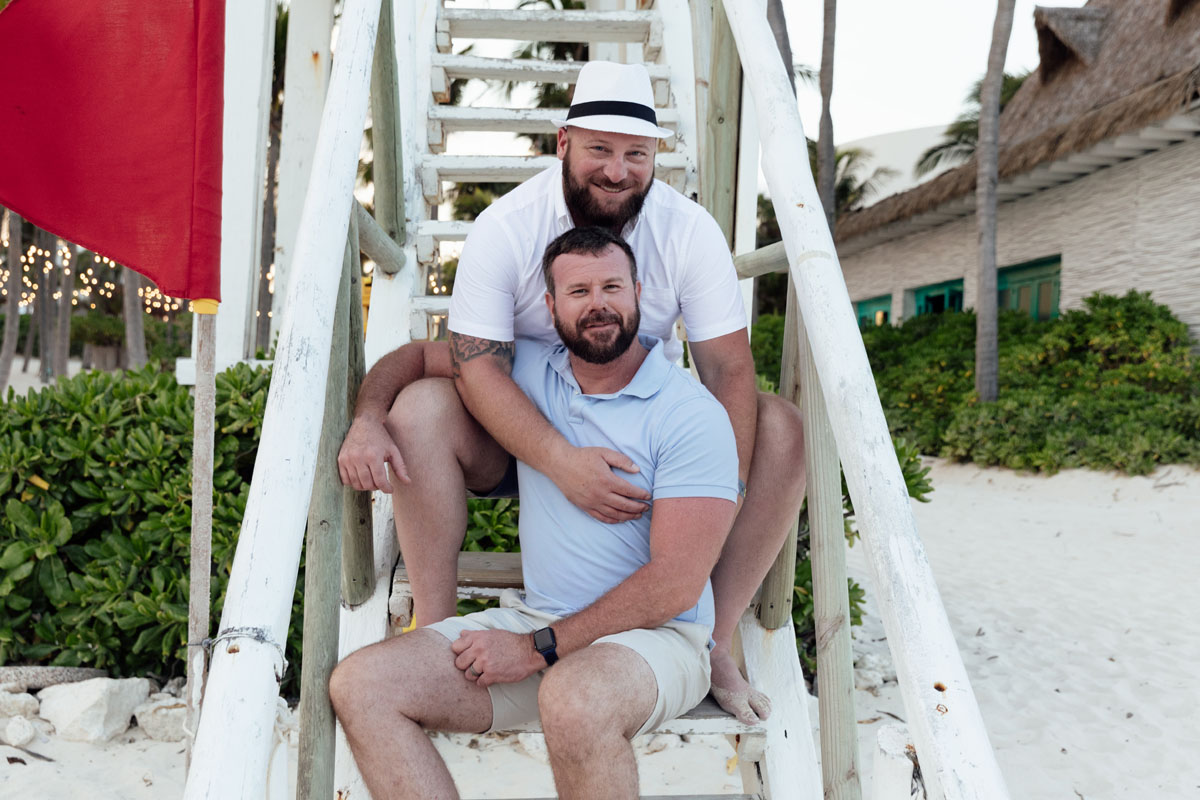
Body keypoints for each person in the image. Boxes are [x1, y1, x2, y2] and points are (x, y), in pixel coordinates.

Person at [337, 61, 806, 725]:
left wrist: (714, 500)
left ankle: (712, 639)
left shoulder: (687, 229)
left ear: (655, 156)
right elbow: (470, 366)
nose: (617, 170)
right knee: (422, 407)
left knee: (781, 426)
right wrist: (559, 459)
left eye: (635, 154)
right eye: (599, 150)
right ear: (563, 144)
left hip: (645, 444)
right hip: (521, 437)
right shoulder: (508, 227)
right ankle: (434, 627)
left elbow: (729, 369)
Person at [331, 227, 741, 799]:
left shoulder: (689, 414)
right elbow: (411, 358)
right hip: (537, 622)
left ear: (639, 294)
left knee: (575, 695)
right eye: (578, 292)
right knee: (363, 683)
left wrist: (534, 648)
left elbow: (675, 585)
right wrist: (369, 418)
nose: (598, 304)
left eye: (612, 287)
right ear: (550, 307)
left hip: (656, 642)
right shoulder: (528, 373)